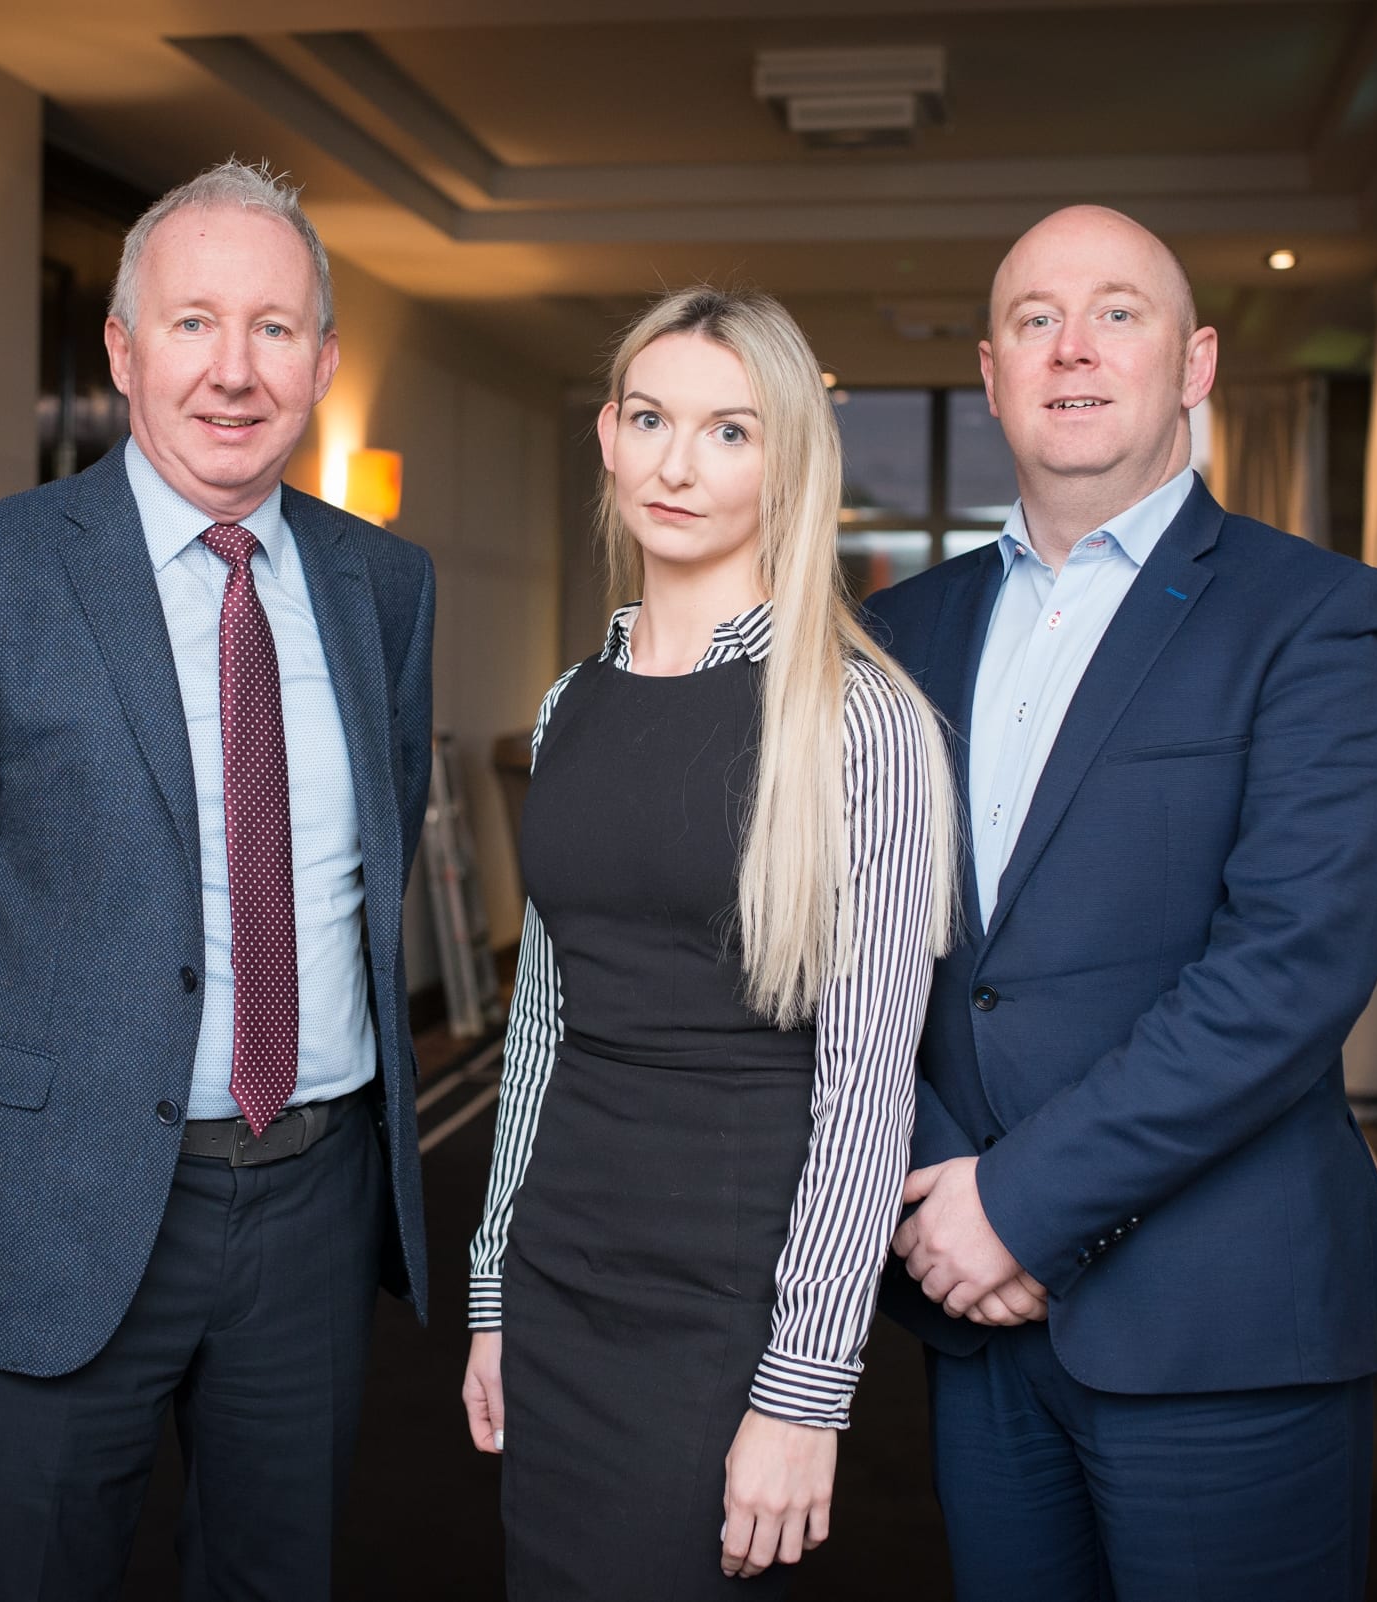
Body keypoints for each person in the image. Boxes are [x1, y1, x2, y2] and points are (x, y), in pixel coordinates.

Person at [0, 159, 435, 1601]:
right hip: (61, 1200)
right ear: (121, 349)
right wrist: (41, 1098)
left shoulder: (385, 584)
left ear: (323, 360)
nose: (234, 370)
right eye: (191, 324)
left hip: (311, 1199)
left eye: (275, 329)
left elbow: (386, 847)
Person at [863, 204, 1377, 1601]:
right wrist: (942, 1191)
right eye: (1035, 319)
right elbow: (851, 941)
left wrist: (1020, 1206)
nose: (1074, 348)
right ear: (990, 373)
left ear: (1196, 362)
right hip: (972, 1309)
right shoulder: (895, 635)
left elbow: (1288, 971)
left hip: (1219, 1324)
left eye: (1119, 311)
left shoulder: (1318, 616)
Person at [459, 287, 959, 1597]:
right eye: (650, 418)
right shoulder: (573, 702)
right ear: (611, 440)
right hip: (563, 1281)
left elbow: (866, 1086)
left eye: (730, 431)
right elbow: (543, 1025)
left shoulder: (864, 721)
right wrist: (494, 1281)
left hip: (730, 1310)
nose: (678, 463)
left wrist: (806, 1391)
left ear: (787, 464)